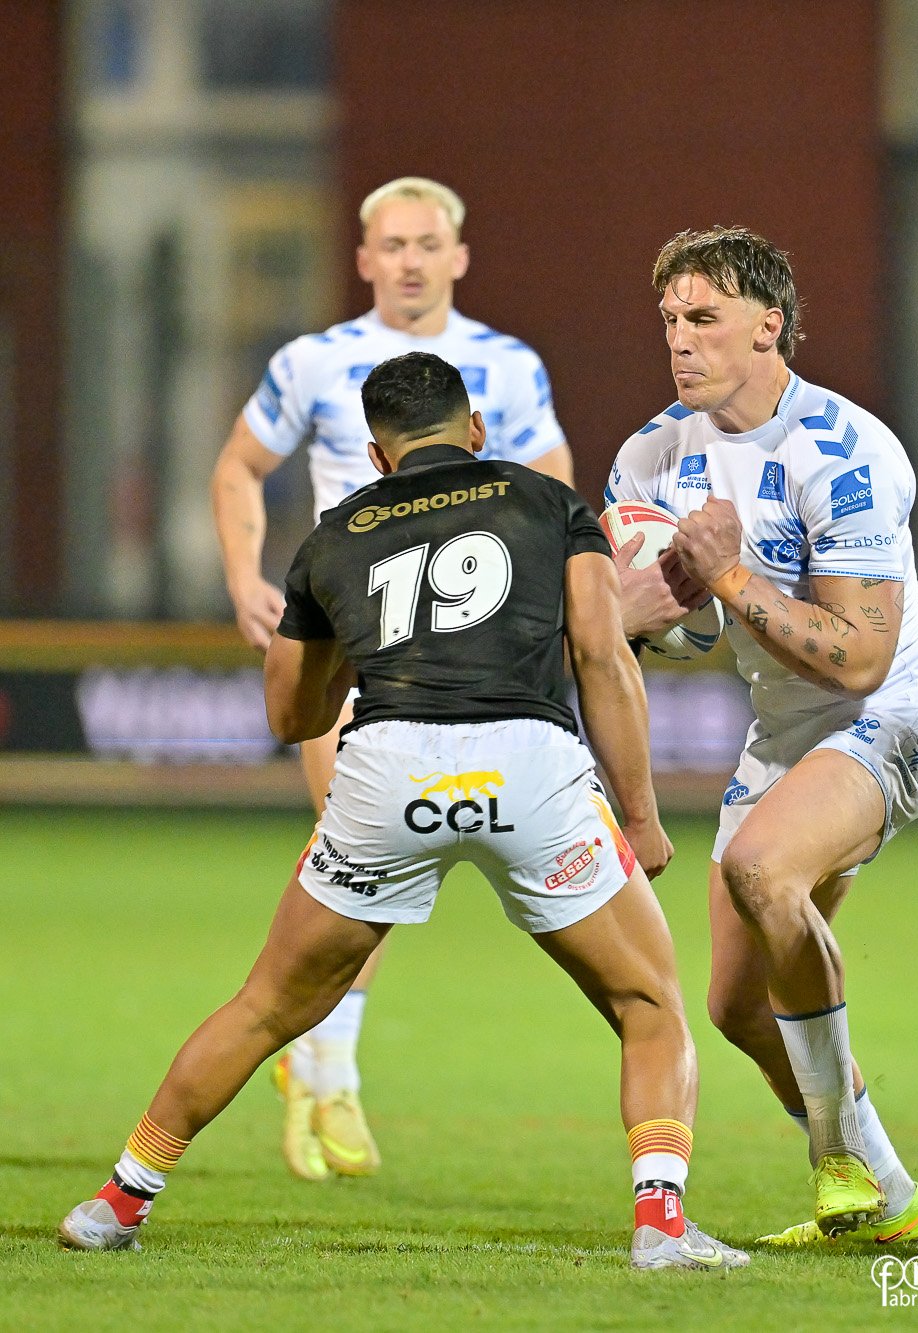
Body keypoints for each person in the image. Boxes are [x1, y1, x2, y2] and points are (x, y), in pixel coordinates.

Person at [63, 353, 743, 1273]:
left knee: (266, 1006)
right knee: (649, 1000)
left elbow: (290, 716)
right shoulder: (548, 502)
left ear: (379, 456)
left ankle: (117, 1199)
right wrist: (643, 814)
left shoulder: (336, 536)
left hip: (390, 771)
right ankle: (660, 1223)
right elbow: (601, 656)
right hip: (528, 765)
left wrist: (363, 646)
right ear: (477, 431)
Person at [210, 177, 573, 1182]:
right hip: (355, 639)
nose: (410, 260)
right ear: (364, 258)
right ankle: (329, 1069)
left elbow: (555, 494)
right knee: (358, 851)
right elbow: (239, 466)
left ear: (459, 256)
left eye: (427, 243)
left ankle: (318, 1063)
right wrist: (244, 576)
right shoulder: (314, 361)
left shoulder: (507, 366)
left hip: (468, 651)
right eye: (392, 244)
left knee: (372, 857)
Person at [606, 226, 918, 1247]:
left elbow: (858, 658)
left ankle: (836, 1155)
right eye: (669, 319)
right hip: (782, 738)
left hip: (892, 719)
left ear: (769, 326)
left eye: (704, 318)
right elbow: (641, 632)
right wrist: (635, 616)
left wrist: (726, 576)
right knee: (737, 1007)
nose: (680, 339)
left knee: (762, 868)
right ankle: (887, 1192)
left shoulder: (845, 453)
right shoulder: (650, 456)